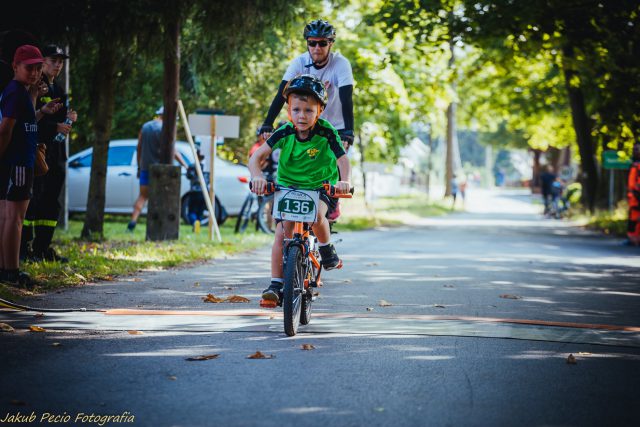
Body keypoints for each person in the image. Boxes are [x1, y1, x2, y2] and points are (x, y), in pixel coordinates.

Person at [249, 74, 351, 304]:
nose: (301, 116)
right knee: (280, 234)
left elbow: (343, 160)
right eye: (296, 110)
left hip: (320, 184)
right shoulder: (284, 131)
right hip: (288, 185)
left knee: (316, 217)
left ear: (320, 111)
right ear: (288, 111)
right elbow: (257, 157)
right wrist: (257, 176)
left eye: (308, 110)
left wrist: (344, 180)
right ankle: (276, 284)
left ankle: (326, 249)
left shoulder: (326, 132)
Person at [0, 45, 60, 287]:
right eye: (29, 68)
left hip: (16, 162)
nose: (34, 73)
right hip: (18, 164)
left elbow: (24, 121)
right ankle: (12, 271)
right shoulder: (15, 92)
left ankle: (6, 269)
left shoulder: (20, 92)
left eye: (37, 68)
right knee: (13, 219)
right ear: (15, 67)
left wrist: (41, 110)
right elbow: (5, 128)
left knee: (7, 217)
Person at [259, 19, 354, 151]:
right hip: (310, 125)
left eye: (322, 43)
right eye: (312, 43)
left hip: (337, 127)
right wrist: (268, 123)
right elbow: (281, 94)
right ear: (307, 43)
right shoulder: (299, 62)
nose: (317, 48)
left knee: (337, 169)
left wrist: (349, 130)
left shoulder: (341, 64)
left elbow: (346, 98)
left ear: (330, 44)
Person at [21, 45, 76, 262]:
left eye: (61, 61)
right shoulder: (36, 86)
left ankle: (43, 247)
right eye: (54, 60)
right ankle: (23, 249)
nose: (58, 65)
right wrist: (55, 128)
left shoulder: (59, 89)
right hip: (38, 149)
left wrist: (69, 121)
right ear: (42, 61)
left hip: (56, 152)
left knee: (51, 202)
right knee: (32, 201)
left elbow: (62, 120)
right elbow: (28, 119)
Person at [127, 107, 187, 232]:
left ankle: (132, 223)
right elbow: (173, 151)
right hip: (160, 171)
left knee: (142, 197)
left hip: (145, 168)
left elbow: (139, 148)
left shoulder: (146, 127)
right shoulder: (165, 130)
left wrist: (139, 166)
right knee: (161, 199)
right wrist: (185, 165)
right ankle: (159, 228)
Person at [626, 142, 640, 246]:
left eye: (637, 149)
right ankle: (632, 239)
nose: (634, 151)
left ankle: (635, 239)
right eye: (634, 149)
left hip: (637, 197)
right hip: (633, 198)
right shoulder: (634, 164)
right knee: (632, 219)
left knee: (636, 219)